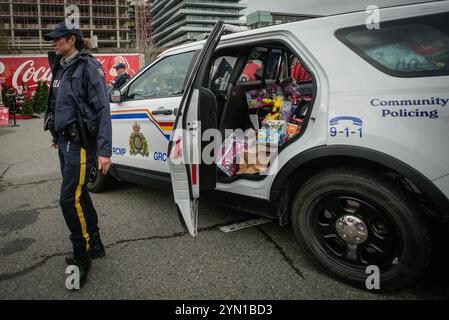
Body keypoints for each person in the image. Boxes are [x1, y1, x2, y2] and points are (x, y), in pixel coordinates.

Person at [43, 21, 112, 288]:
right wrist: (55, 135)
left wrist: (104, 150)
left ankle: (82, 256)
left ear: (72, 39)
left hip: (81, 145)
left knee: (68, 199)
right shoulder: (61, 66)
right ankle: (94, 244)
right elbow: (59, 104)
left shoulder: (88, 67)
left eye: (57, 39)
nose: (53, 43)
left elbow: (103, 109)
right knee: (79, 194)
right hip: (65, 142)